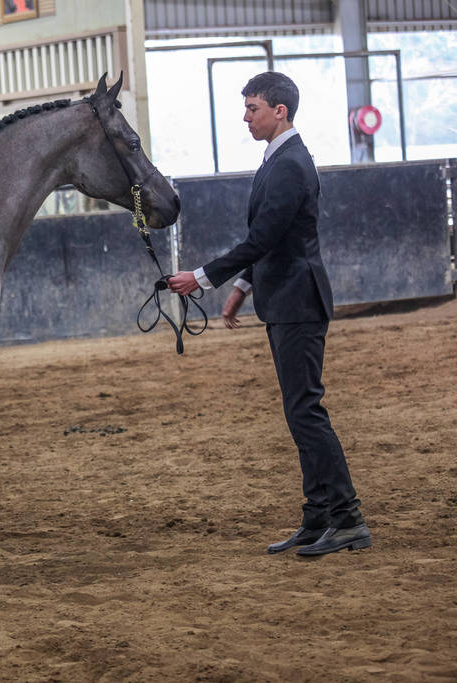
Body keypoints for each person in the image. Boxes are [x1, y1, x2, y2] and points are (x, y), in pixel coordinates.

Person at [167, 72, 370, 557]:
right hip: (287, 298)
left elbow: (264, 239)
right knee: (300, 411)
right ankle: (318, 517)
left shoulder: (288, 165)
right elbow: (273, 237)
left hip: (298, 301)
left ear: (280, 111)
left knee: (305, 412)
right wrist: (242, 285)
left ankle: (347, 518)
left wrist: (202, 276)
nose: (246, 116)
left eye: (252, 107)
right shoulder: (281, 160)